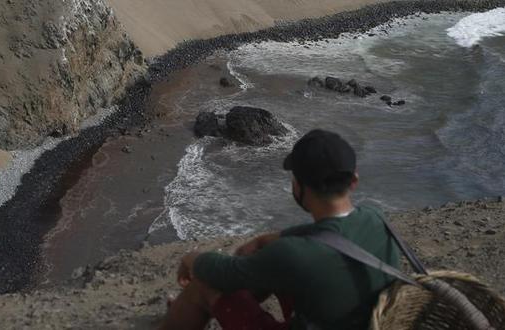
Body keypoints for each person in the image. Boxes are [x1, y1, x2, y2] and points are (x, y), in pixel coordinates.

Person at [159, 129, 401, 330]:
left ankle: (188, 311)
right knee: (269, 266)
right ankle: (186, 310)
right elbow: (332, 231)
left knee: (203, 283)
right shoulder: (376, 216)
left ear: (298, 186)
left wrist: (191, 258)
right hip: (363, 321)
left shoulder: (292, 255)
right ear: (354, 180)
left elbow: (226, 272)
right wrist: (271, 238)